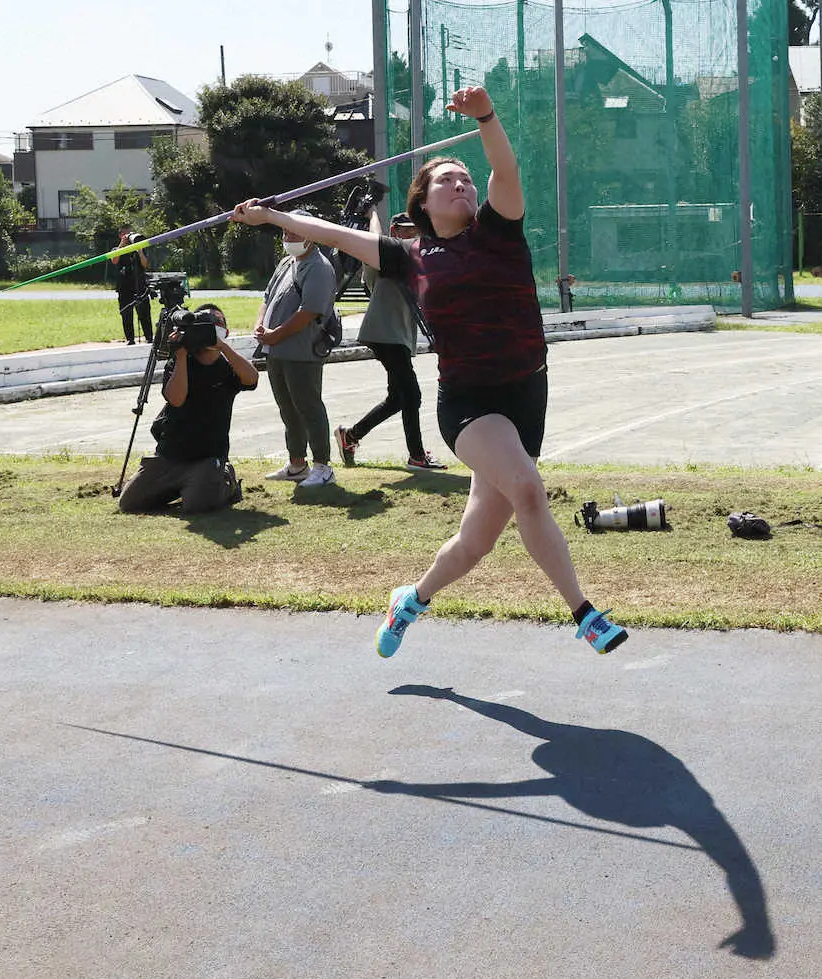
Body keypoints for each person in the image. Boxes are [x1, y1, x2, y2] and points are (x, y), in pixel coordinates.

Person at [231, 86, 628, 657]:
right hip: (469, 402)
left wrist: (487, 116)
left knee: (474, 542)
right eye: (446, 179)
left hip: (526, 393)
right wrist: (268, 215)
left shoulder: (500, 229)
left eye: (464, 178)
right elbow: (325, 234)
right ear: (423, 201)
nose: (460, 184)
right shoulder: (407, 256)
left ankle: (409, 600)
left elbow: (504, 168)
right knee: (529, 492)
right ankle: (585, 614)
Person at [333, 210, 447, 472]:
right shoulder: (381, 257)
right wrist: (373, 212)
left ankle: (350, 436)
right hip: (385, 334)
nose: (413, 234)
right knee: (412, 395)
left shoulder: (410, 256)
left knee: (398, 398)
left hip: (395, 335)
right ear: (394, 232)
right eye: (407, 229)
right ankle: (417, 457)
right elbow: (374, 237)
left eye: (415, 230)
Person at [118, 303, 258, 514]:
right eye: (206, 324)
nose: (211, 328)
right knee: (129, 503)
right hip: (170, 456)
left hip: (207, 458)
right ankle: (184, 486)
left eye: (217, 323)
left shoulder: (228, 367)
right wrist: (181, 355)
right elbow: (176, 399)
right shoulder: (179, 363)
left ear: (225, 332)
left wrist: (223, 347)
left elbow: (252, 378)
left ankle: (226, 480)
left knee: (197, 506)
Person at [254, 210, 338, 488]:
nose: (288, 237)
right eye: (285, 232)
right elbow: (267, 297)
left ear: (311, 235)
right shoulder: (285, 263)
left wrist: (277, 334)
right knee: (287, 408)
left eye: (294, 231)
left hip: (301, 351)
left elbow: (309, 311)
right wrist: (260, 325)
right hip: (276, 351)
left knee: (309, 406)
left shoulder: (318, 266)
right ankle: (297, 464)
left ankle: (323, 466)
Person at [114, 224, 154, 345]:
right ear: (120, 235)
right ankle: (130, 338)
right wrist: (122, 245)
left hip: (139, 284)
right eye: (127, 234)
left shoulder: (138, 248)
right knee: (126, 312)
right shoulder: (117, 249)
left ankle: (149, 337)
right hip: (124, 286)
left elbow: (146, 265)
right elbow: (114, 260)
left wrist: (140, 251)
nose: (130, 237)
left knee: (144, 312)